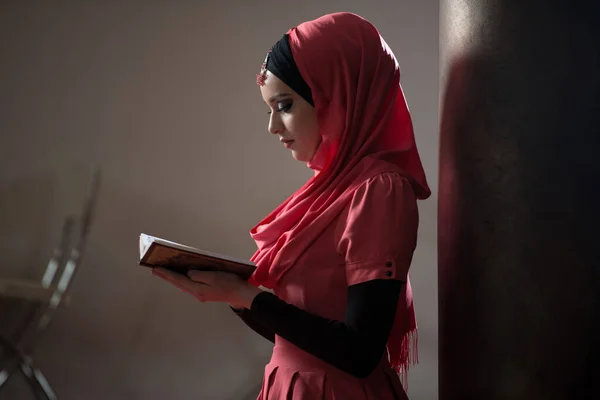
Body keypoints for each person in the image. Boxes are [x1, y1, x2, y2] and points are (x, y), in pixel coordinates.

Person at [152, 12, 431, 399]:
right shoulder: (330, 191)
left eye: (284, 105)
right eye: (270, 109)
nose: (273, 127)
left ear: (337, 97)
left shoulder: (379, 190)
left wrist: (247, 297)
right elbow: (295, 335)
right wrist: (231, 295)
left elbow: (359, 351)